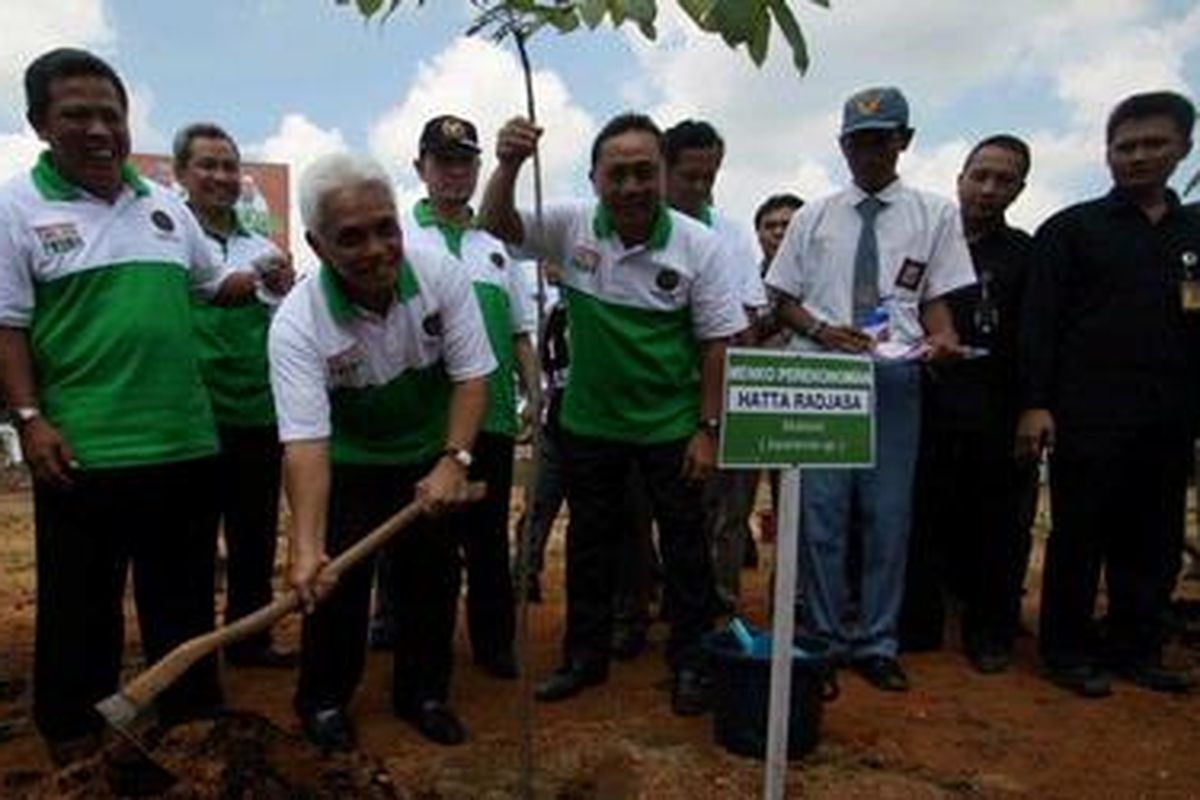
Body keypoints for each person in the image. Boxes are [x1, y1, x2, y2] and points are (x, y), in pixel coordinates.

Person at [0, 48, 265, 763]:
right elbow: (7, 326)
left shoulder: (165, 210)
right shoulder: (15, 207)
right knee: (80, 609)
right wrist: (30, 419)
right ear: (39, 124)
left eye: (109, 115)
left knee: (180, 602)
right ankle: (77, 740)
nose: (97, 130)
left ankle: (190, 722)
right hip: (84, 451)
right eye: (75, 116)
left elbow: (216, 285)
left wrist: (270, 275)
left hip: (184, 444)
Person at [479, 112, 746, 715]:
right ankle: (584, 658)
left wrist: (707, 431)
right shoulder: (572, 223)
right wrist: (510, 163)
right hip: (589, 426)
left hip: (670, 428)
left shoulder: (699, 245)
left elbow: (716, 346)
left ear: (662, 174)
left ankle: (692, 663)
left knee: (684, 551)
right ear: (595, 177)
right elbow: (496, 222)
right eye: (617, 173)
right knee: (591, 546)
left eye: (643, 172)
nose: (630, 187)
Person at [270, 151, 494, 750]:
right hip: (347, 465)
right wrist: (309, 547)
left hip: (428, 458)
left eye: (385, 228)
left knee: (433, 581)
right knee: (334, 589)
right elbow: (306, 443)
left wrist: (453, 462)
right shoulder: (297, 323)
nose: (375, 250)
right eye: (351, 237)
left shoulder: (441, 275)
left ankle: (423, 694)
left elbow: (472, 377)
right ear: (318, 247)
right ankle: (322, 701)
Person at [765, 86, 974, 692]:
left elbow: (936, 299)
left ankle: (878, 641)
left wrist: (944, 338)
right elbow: (782, 299)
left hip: (894, 379)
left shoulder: (935, 213)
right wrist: (823, 332)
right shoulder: (813, 215)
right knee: (822, 517)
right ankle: (826, 638)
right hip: (822, 380)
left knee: (888, 516)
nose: (868, 152)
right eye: (857, 142)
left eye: (880, 139)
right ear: (842, 146)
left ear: (904, 141)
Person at [1017, 91, 1200, 698]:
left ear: (1184, 147)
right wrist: (1036, 403)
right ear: (1107, 153)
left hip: (1171, 414)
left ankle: (1136, 646)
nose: (1139, 157)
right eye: (1126, 147)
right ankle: (1067, 651)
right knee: (1079, 535)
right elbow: (1039, 325)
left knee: (1154, 537)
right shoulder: (1072, 231)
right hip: (1087, 415)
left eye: (1154, 144)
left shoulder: (1194, 232)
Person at [400, 114, 538, 679]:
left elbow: (520, 330)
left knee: (486, 542)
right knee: (427, 546)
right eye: (443, 162)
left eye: (465, 162)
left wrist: (536, 393)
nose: (455, 173)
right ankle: (419, 649)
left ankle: (494, 644)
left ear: (478, 168)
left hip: (496, 420)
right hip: (427, 421)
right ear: (421, 168)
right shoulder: (403, 240)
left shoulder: (497, 242)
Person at [898, 134, 1038, 673]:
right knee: (921, 516)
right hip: (927, 404)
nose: (988, 188)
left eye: (1003, 180)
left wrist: (1034, 406)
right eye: (979, 175)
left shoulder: (1026, 254)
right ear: (959, 178)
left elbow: (1037, 337)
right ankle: (917, 625)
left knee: (998, 525)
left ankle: (990, 633)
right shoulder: (924, 243)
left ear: (1019, 188)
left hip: (997, 411)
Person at [173, 122, 296, 668]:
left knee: (254, 538)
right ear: (181, 173)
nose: (220, 177)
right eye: (207, 165)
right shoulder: (168, 238)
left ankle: (250, 641)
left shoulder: (265, 251)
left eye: (228, 166)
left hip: (257, 411)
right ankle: (190, 649)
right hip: (193, 416)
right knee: (191, 544)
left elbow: (283, 326)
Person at [663, 119, 768, 614]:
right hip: (655, 397)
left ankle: (719, 609)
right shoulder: (637, 227)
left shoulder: (729, 235)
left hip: (718, 397)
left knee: (725, 513)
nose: (702, 188)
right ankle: (645, 606)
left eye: (711, 177)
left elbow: (747, 319)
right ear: (663, 170)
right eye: (690, 176)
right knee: (650, 512)